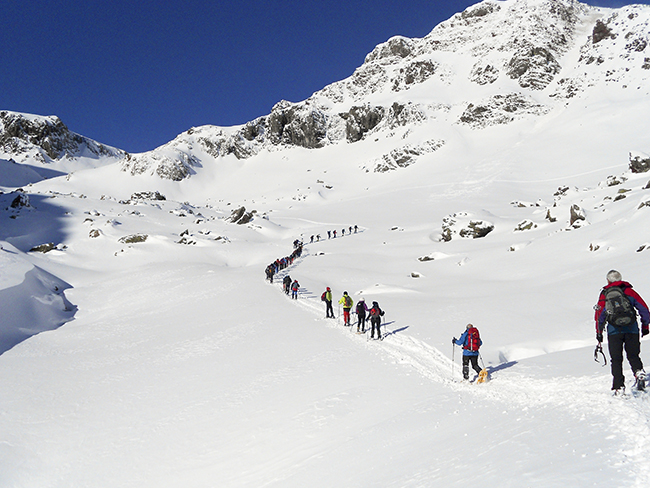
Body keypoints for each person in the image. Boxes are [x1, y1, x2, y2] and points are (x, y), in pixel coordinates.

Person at [595, 270, 649, 393]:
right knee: (633, 354)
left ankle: (618, 386)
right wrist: (645, 325)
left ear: (608, 280)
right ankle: (638, 372)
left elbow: (599, 314)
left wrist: (599, 332)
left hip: (614, 331)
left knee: (616, 358)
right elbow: (644, 309)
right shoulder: (629, 291)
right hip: (632, 329)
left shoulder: (605, 294)